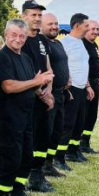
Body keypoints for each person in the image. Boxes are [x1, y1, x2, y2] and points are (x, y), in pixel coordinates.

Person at [0, 19, 53, 196]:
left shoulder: (25, 58)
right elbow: (8, 86)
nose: (18, 39)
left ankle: (18, 193)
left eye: (22, 36)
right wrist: (36, 81)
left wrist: (43, 93)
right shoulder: (2, 57)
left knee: (26, 155)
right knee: (10, 157)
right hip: (9, 116)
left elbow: (31, 85)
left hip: (27, 114)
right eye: (14, 35)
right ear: (6, 34)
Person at [20, 0, 56, 193]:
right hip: (30, 98)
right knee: (29, 140)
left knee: (43, 136)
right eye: (33, 15)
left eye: (39, 15)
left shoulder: (42, 40)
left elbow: (48, 67)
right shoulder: (21, 39)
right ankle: (25, 178)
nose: (37, 18)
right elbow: (24, 73)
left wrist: (49, 90)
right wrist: (41, 94)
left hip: (44, 95)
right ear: (24, 16)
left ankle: (37, 176)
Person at [56, 14, 93, 167]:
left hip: (81, 88)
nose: (88, 29)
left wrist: (88, 86)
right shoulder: (65, 43)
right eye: (86, 26)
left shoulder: (81, 43)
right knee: (67, 124)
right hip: (71, 88)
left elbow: (83, 66)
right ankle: (59, 157)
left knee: (79, 122)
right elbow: (61, 65)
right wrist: (67, 83)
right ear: (77, 26)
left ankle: (73, 151)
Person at [39, 13, 70, 178]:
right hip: (48, 94)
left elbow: (63, 62)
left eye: (56, 24)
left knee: (57, 130)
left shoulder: (57, 43)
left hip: (61, 93)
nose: (54, 27)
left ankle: (50, 163)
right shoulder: (42, 44)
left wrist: (68, 77)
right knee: (47, 131)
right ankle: (41, 166)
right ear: (41, 25)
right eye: (50, 24)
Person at [81, 19, 99, 154]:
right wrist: (87, 85)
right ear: (86, 29)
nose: (95, 32)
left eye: (97, 29)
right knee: (83, 115)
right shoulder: (82, 45)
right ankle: (76, 144)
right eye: (92, 29)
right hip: (85, 84)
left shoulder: (94, 44)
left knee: (92, 115)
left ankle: (86, 142)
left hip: (95, 83)